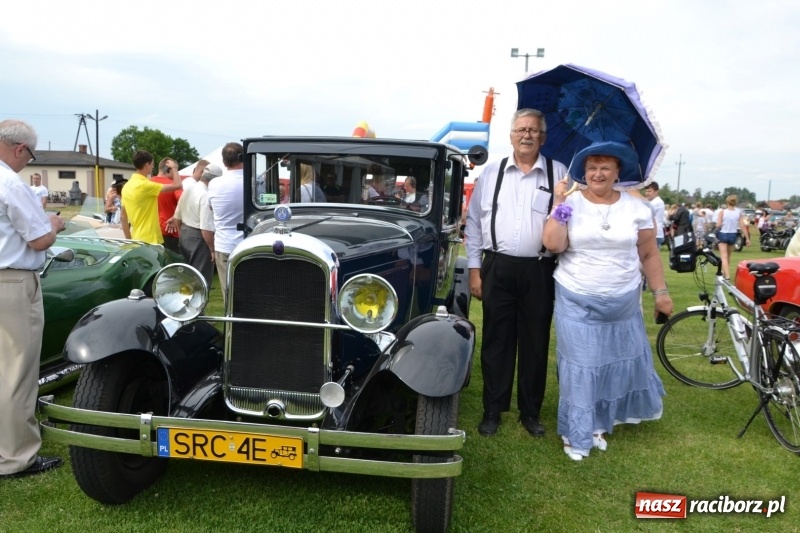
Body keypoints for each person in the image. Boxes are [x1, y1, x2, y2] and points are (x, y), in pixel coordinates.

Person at [542, 141, 672, 461]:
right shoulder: (569, 203)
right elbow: (553, 243)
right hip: (576, 296)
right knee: (582, 365)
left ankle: (598, 423)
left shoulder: (638, 208)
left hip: (623, 301)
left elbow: (648, 253)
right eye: (591, 167)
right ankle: (576, 432)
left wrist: (661, 293)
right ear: (583, 172)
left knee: (608, 365)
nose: (597, 173)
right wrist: (559, 201)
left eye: (604, 167)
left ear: (617, 173)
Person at [464, 108, 567, 438]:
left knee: (536, 342)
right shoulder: (491, 173)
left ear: (543, 137)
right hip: (497, 266)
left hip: (540, 269)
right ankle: (493, 409)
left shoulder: (559, 174)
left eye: (534, 130)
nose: (527, 135)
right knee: (497, 340)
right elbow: (474, 225)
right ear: (510, 135)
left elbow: (569, 220)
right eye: (521, 129)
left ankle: (530, 412)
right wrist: (475, 270)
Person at [0, 119, 66, 478]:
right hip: (11, 282)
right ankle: (16, 457)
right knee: (16, 373)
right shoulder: (10, 182)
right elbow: (39, 240)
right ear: (20, 148)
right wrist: (53, 224)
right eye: (30, 155)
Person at [166, 160, 222, 288]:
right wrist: (212, 249)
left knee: (186, 277)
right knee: (200, 280)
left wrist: (182, 234)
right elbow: (206, 227)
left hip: (185, 232)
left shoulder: (189, 189)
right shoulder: (206, 195)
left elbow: (177, 216)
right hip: (199, 236)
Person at [206, 142, 245, 304]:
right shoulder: (254, 182)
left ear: (224, 162)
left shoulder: (214, 184)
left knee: (228, 294)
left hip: (224, 244)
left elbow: (210, 207)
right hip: (247, 244)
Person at [120, 150, 182, 243]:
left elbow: (123, 217)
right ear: (147, 165)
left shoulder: (126, 186)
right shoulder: (145, 185)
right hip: (150, 239)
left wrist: (129, 240)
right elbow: (178, 185)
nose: (153, 167)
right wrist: (174, 167)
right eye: (152, 164)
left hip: (136, 237)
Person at [151, 158, 183, 255]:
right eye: (175, 170)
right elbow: (184, 201)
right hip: (169, 231)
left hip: (152, 232)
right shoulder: (173, 185)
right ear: (168, 170)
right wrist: (175, 217)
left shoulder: (147, 184)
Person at [716, 194, 749, 279]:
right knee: (728, 256)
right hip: (733, 234)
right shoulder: (738, 212)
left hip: (723, 233)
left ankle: (727, 275)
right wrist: (747, 238)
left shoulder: (722, 212)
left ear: (727, 202)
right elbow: (742, 225)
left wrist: (717, 224)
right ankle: (724, 272)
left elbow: (718, 225)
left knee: (723, 256)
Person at [643, 181, 666, 248]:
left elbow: (644, 212)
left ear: (657, 192)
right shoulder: (653, 202)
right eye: (646, 191)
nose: (647, 193)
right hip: (653, 233)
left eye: (649, 191)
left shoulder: (657, 202)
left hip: (655, 234)